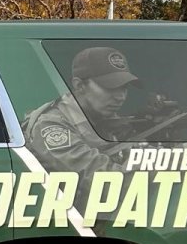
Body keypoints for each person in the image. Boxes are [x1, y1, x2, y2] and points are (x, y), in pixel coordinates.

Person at [22, 46, 138, 175]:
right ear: (79, 85)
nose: (120, 97)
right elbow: (102, 178)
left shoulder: (104, 118)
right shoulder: (50, 125)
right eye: (110, 88)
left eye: (124, 88)